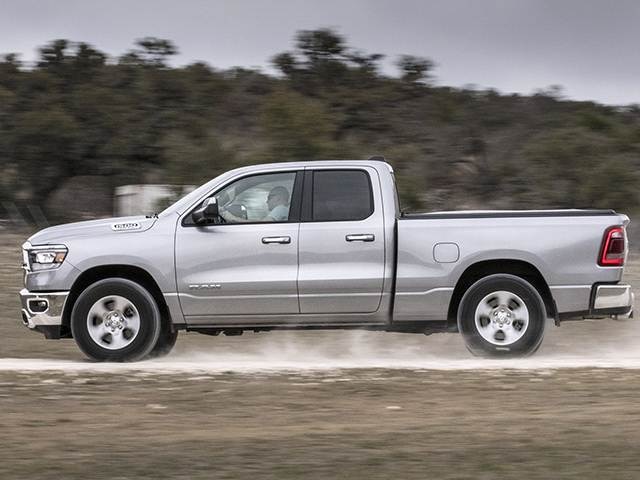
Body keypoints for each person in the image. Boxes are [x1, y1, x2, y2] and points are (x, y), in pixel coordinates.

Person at [220, 186, 290, 223]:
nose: (267, 201)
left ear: (278, 198)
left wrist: (232, 218)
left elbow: (263, 224)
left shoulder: (280, 209)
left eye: (269, 197)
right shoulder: (285, 211)